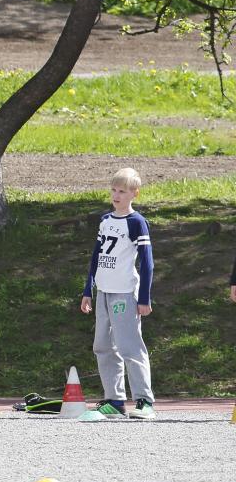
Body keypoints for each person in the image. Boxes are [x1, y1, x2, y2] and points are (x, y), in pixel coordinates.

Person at [81, 167, 156, 420]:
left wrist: (144, 298)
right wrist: (87, 290)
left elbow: (147, 263)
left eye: (122, 191)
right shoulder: (105, 220)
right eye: (113, 190)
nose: (116, 195)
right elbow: (97, 256)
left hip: (124, 293)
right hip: (103, 290)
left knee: (129, 346)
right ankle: (114, 400)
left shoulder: (137, 222)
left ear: (134, 193)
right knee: (102, 345)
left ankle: (145, 401)